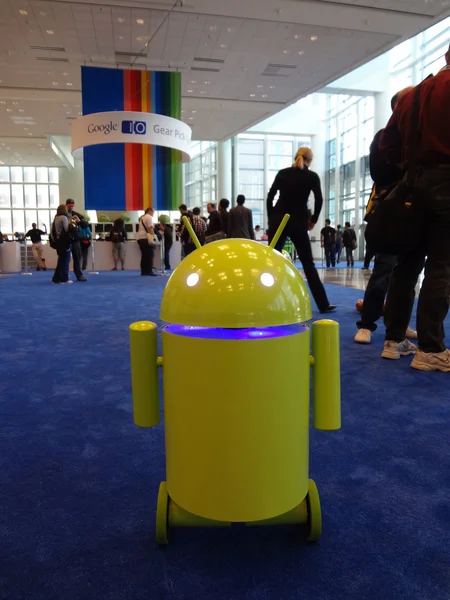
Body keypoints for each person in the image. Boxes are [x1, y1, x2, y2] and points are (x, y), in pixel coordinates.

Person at [378, 49, 450, 371]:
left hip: (412, 187)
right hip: (447, 184)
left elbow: (387, 145)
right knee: (441, 266)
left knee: (407, 265)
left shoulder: (415, 93)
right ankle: (431, 348)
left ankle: (394, 340)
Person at [354, 87, 417, 345]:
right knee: (384, 269)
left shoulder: (418, 136)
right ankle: (367, 324)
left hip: (416, 212)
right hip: (391, 213)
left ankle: (398, 326)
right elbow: (379, 173)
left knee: (409, 273)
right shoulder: (384, 137)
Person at [267, 147, 335, 313]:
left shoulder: (282, 173)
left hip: (279, 220)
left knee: (270, 262)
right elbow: (319, 199)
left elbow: (270, 197)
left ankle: (266, 302)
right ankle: (323, 304)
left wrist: (272, 218)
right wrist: (313, 220)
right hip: (298, 221)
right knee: (308, 264)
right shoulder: (311, 176)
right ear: (309, 160)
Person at [65, 199, 87, 282]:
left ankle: (79, 275)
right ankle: (64, 275)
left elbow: (85, 225)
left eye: (72, 206)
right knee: (64, 258)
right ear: (66, 205)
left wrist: (79, 221)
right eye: (69, 206)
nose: (70, 207)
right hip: (66, 240)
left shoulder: (76, 215)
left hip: (75, 240)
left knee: (77, 257)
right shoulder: (62, 215)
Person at [51, 204, 73, 285]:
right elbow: (67, 229)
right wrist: (71, 223)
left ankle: (56, 278)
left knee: (60, 260)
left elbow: (52, 230)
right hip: (64, 242)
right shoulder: (64, 217)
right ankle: (64, 278)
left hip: (58, 241)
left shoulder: (56, 218)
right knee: (65, 261)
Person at [137, 207, 157, 276]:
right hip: (146, 238)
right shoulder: (149, 217)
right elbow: (150, 228)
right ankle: (149, 271)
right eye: (153, 212)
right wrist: (153, 237)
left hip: (140, 239)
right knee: (149, 255)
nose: (153, 213)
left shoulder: (142, 218)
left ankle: (144, 271)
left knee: (144, 256)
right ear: (150, 211)